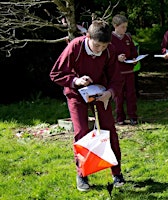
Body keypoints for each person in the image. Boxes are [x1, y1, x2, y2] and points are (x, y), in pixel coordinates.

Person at [49, 20, 126, 191]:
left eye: (104, 46)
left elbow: (116, 77)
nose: (100, 50)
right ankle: (82, 174)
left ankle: (117, 173)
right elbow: (55, 74)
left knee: (108, 130)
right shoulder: (75, 47)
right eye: (97, 45)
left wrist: (110, 93)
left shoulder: (109, 50)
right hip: (76, 93)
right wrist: (75, 81)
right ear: (88, 37)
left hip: (100, 93)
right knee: (82, 131)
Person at [111, 14, 139, 126]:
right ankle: (120, 117)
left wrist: (134, 58)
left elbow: (133, 51)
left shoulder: (128, 37)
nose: (124, 29)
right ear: (115, 26)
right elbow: (107, 55)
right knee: (119, 96)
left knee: (131, 94)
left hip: (129, 71)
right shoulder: (110, 39)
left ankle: (133, 116)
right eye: (122, 27)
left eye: (126, 27)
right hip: (117, 72)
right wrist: (117, 58)